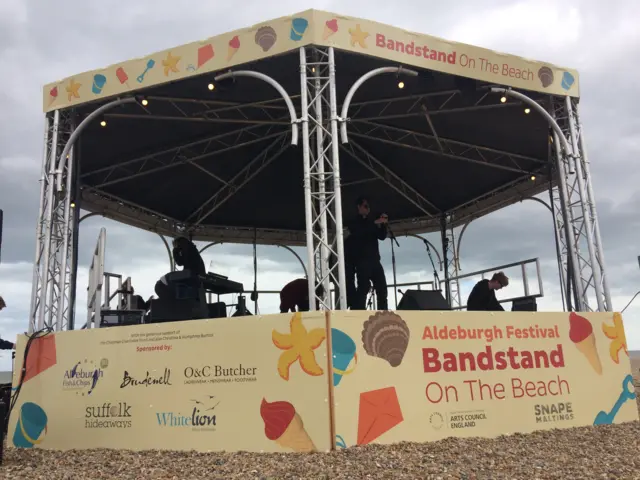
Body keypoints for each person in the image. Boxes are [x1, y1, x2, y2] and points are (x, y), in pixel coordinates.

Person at [348, 196, 388, 310]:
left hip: (375, 260)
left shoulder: (371, 222)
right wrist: (375, 222)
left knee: (382, 288)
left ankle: (383, 312)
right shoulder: (354, 222)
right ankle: (359, 311)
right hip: (362, 261)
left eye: (368, 206)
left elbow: (382, 236)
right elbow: (359, 231)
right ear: (359, 207)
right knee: (363, 288)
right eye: (365, 206)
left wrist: (383, 224)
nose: (368, 208)